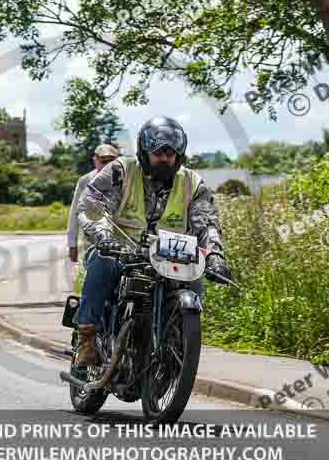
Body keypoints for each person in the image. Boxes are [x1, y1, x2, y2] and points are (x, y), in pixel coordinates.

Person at [74, 116, 232, 368]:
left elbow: (207, 222)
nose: (164, 159)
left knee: (194, 282)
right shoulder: (121, 170)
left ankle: (177, 344)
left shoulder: (193, 183)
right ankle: (87, 339)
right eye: (158, 153)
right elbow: (92, 204)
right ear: (144, 152)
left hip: (169, 256)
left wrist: (215, 256)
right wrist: (102, 234)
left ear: (179, 156)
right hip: (118, 249)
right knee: (102, 266)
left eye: (171, 154)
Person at [67, 144, 120, 263]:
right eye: (103, 161)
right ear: (95, 160)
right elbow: (75, 212)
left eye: (111, 161)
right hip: (92, 240)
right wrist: (72, 244)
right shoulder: (85, 181)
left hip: (120, 241)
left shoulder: (126, 179)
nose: (108, 165)